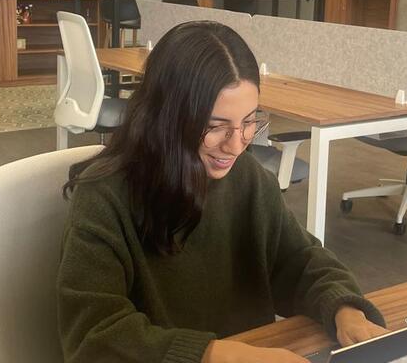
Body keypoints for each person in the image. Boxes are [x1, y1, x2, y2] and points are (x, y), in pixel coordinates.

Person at [57, 21, 387, 363]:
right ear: (167, 117)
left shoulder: (249, 179)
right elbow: (93, 337)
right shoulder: (104, 197)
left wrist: (343, 307)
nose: (236, 145)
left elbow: (299, 260)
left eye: (249, 122)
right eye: (215, 127)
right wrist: (215, 355)